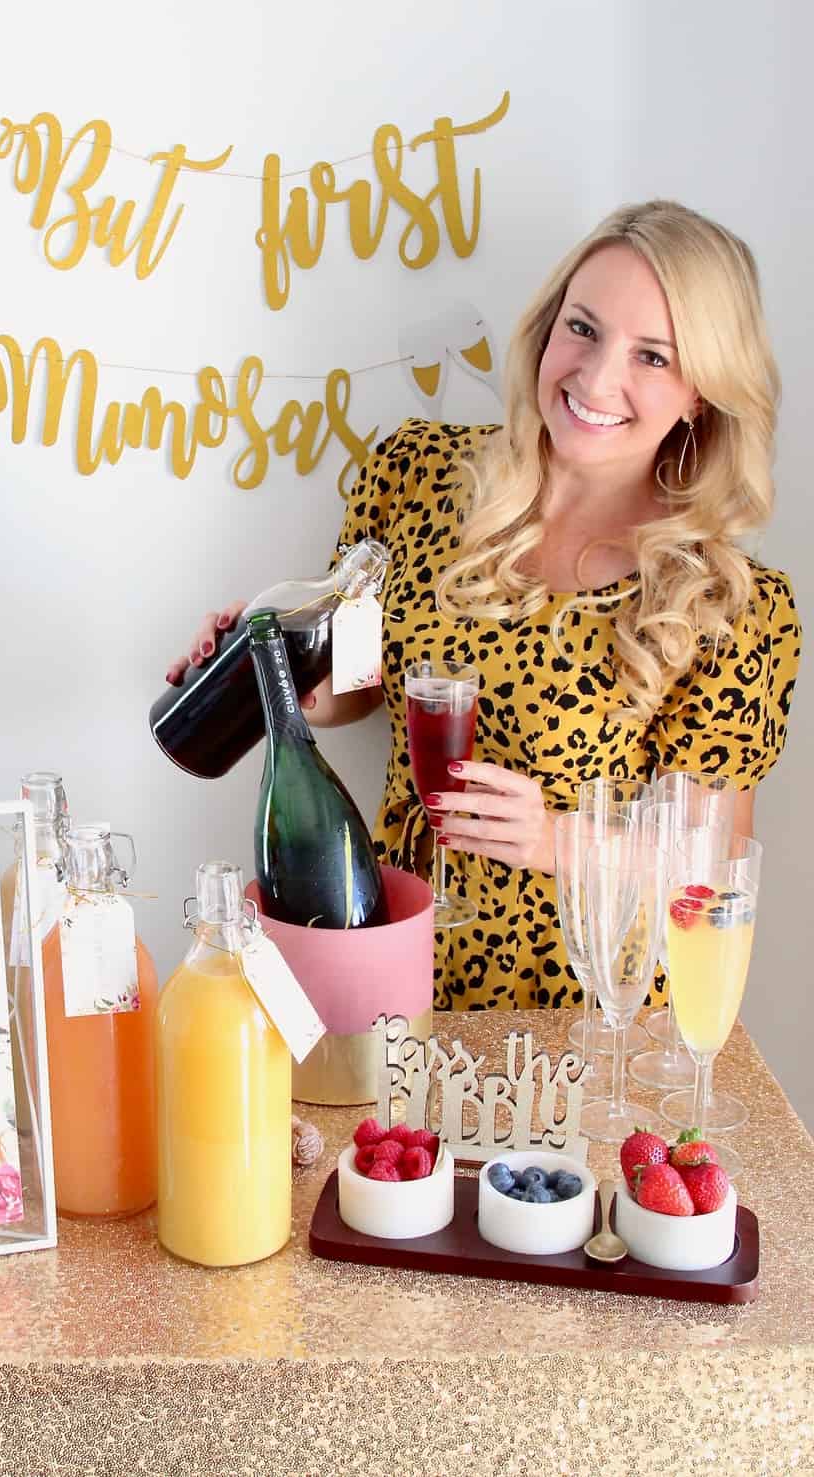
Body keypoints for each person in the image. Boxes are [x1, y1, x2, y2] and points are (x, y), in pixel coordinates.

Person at [166, 200, 802, 1011]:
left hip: (578, 1006)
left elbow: (715, 860)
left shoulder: (729, 603)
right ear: (546, 327)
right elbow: (357, 688)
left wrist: (554, 839)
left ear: (702, 394)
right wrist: (271, 677)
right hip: (389, 951)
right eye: (583, 327)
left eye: (652, 356)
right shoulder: (416, 472)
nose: (597, 377)